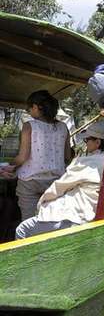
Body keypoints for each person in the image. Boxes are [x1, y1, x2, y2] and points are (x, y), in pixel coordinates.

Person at [15, 121, 104, 239]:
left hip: (75, 218)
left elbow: (57, 189)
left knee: (22, 230)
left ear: (98, 142)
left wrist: (41, 204)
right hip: (99, 217)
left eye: (87, 140)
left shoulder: (85, 163)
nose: (86, 143)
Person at [1, 91, 72, 220]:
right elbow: (67, 157)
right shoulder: (63, 127)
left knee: (28, 220)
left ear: (36, 107)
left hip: (30, 182)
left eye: (30, 108)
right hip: (55, 182)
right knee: (50, 219)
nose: (28, 111)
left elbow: (22, 157)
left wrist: (10, 165)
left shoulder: (29, 126)